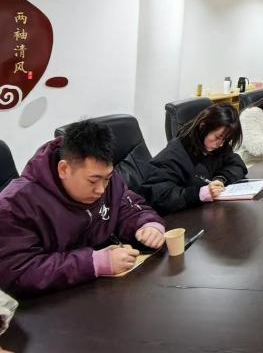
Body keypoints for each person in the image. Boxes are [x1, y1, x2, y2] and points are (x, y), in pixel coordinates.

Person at [0, 120, 165, 294]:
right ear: (64, 169)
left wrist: (147, 225)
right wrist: (93, 263)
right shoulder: (14, 206)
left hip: (102, 290)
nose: (101, 189)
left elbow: (126, 205)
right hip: (53, 302)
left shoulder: (105, 179)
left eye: (107, 178)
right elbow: (19, 272)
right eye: (92, 181)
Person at [143, 104, 247, 216]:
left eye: (225, 140)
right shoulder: (173, 155)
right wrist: (199, 194)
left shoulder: (218, 147)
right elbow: (159, 196)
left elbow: (237, 164)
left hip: (208, 212)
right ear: (203, 127)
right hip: (179, 219)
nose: (221, 144)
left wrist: (220, 179)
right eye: (217, 137)